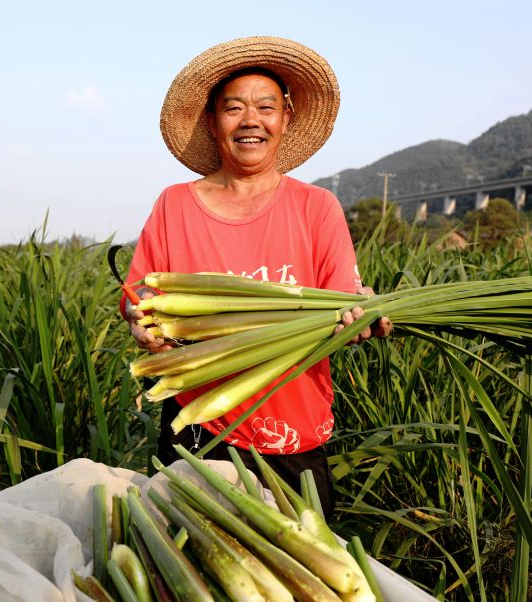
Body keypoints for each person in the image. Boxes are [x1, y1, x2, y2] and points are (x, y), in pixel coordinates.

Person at [122, 36, 391, 517]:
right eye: (234, 108)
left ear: (285, 119)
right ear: (212, 120)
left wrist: (360, 312)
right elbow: (139, 290)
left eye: (266, 107)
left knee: (301, 581)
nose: (251, 120)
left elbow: (344, 295)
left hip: (292, 435)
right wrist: (137, 318)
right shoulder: (174, 204)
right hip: (197, 432)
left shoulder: (316, 207)